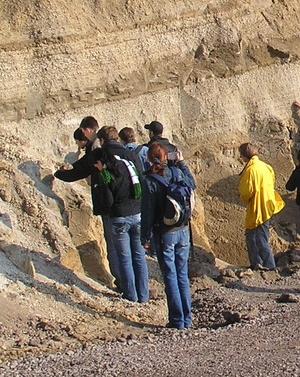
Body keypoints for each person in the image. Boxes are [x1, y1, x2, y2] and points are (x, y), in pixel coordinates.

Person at [54, 120, 121, 292]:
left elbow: (85, 167)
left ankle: (124, 284)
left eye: (83, 132)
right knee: (125, 246)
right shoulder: (122, 151)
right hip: (123, 204)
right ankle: (134, 286)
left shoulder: (98, 148)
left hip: (109, 203)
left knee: (114, 245)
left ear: (87, 130)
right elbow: (85, 163)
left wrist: (61, 174)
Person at [92, 126, 150, 302]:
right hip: (137, 212)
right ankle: (144, 295)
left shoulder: (105, 161)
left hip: (119, 215)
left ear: (102, 141)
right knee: (139, 257)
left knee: (125, 258)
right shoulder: (131, 158)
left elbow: (108, 193)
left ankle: (131, 295)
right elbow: (142, 178)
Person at [141, 142, 195, 328]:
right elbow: (192, 184)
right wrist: (181, 163)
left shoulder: (150, 180)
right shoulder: (176, 172)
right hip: (182, 230)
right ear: (167, 156)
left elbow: (147, 212)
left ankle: (177, 320)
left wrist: (145, 237)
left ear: (149, 159)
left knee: (170, 275)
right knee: (182, 274)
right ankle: (186, 319)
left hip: (164, 233)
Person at [237, 143, 284, 270]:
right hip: (267, 204)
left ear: (244, 156)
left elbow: (246, 191)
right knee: (255, 236)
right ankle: (258, 264)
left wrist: (245, 198)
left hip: (257, 206)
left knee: (258, 238)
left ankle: (268, 265)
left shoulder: (251, 170)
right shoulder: (265, 166)